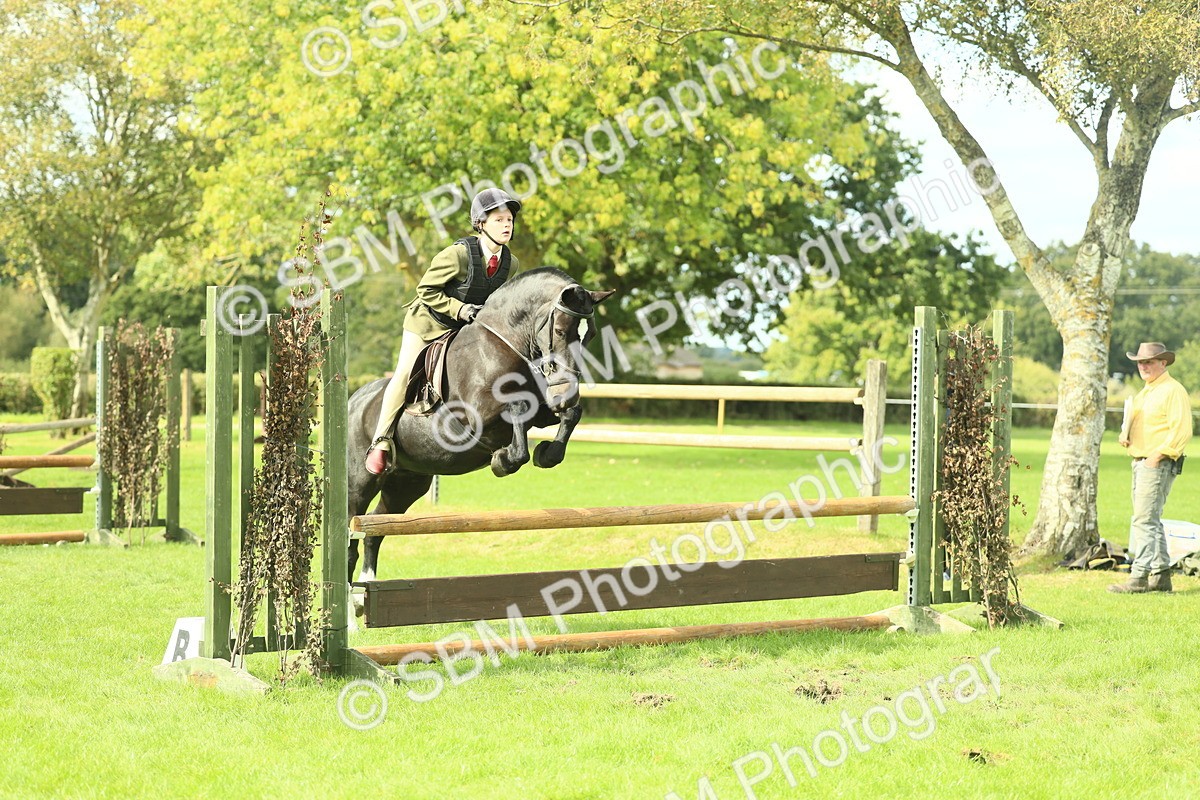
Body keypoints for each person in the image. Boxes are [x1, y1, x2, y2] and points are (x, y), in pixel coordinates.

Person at [365, 188, 523, 474]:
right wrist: (461, 310)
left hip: (466, 329)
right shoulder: (458, 254)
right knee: (402, 375)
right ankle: (381, 441)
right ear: (481, 224)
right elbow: (425, 290)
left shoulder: (511, 264)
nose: (507, 225)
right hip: (428, 322)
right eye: (499, 220)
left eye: (509, 219)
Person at [1109, 342, 1193, 593]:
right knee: (1150, 520)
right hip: (1143, 461)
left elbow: (1182, 430)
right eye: (1140, 362)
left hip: (1157, 462)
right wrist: (1127, 436)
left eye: (1149, 362)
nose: (1143, 366)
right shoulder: (1148, 391)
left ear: (1163, 363)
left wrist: (1157, 456)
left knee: (1144, 520)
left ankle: (1138, 577)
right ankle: (1160, 577)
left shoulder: (1172, 390)